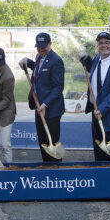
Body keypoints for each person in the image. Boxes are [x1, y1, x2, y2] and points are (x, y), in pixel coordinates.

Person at [78, 31, 110, 161]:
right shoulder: (97, 59)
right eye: (101, 43)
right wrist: (86, 58)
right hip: (97, 114)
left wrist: (102, 109)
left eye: (107, 43)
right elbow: (96, 72)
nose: (104, 45)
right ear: (97, 46)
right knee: (100, 156)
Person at [19, 32, 65, 163]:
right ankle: (46, 169)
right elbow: (40, 70)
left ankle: (55, 171)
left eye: (43, 46)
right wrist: (28, 62)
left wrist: (45, 104)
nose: (40, 49)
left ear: (50, 44)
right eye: (38, 46)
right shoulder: (39, 57)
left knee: (52, 144)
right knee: (43, 143)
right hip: (39, 108)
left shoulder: (57, 61)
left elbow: (58, 87)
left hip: (51, 110)